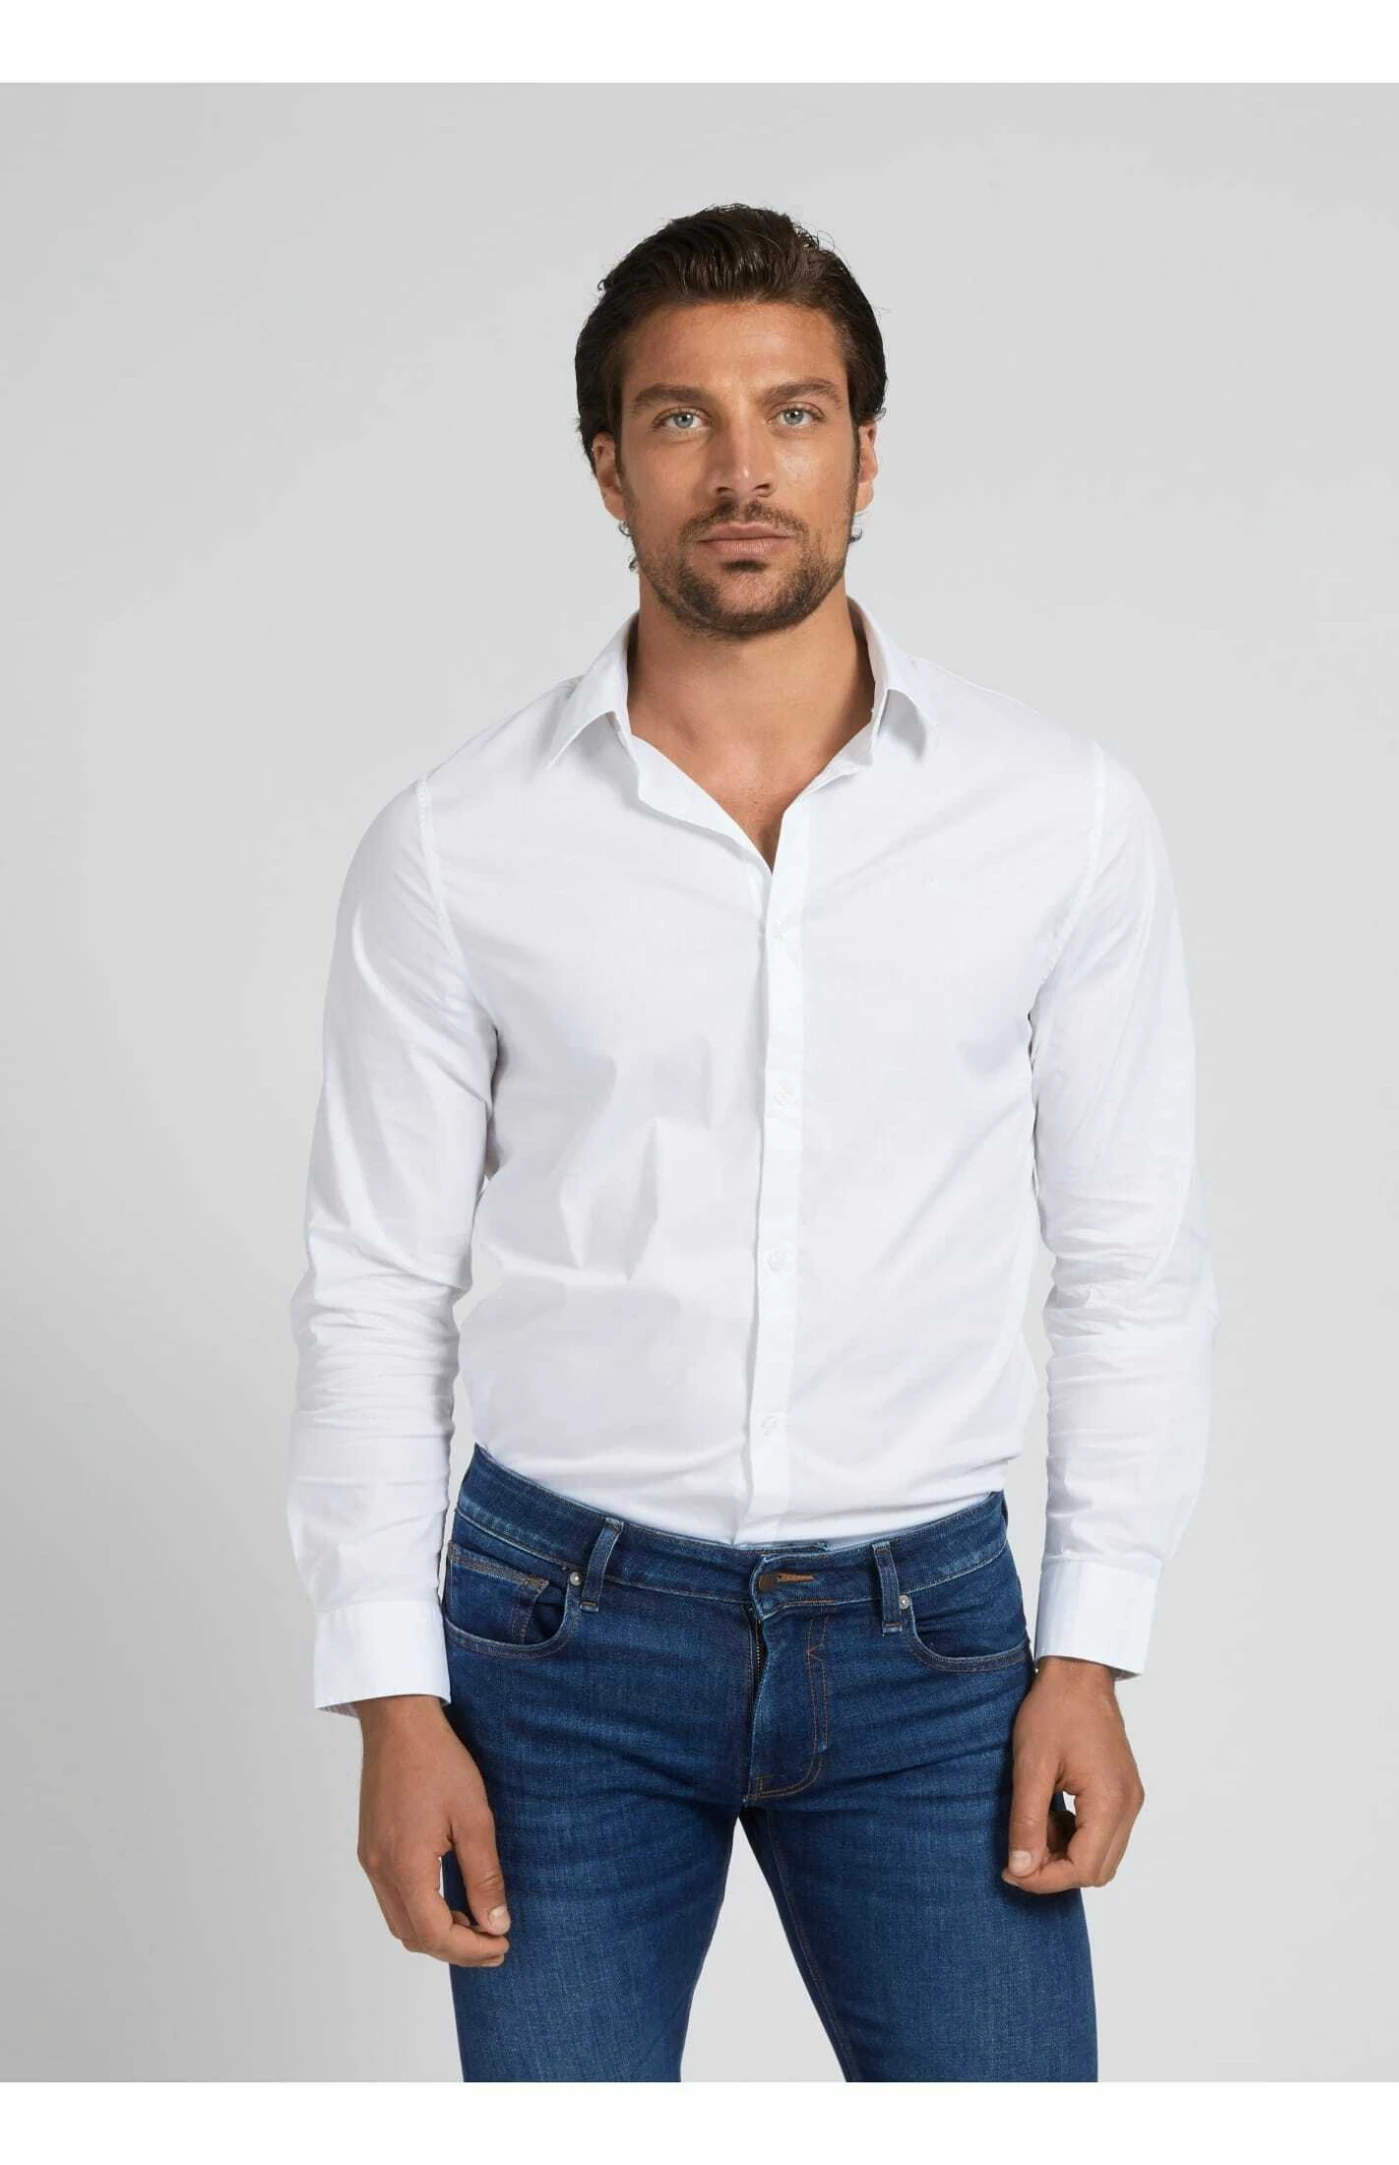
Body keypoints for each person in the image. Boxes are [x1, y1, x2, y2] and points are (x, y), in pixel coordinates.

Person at [286, 202, 1220, 2083]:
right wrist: (390, 1690)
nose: (741, 471)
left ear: (866, 456)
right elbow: (376, 1285)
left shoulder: (1059, 820)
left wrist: (1089, 1650)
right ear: (606, 468)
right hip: (555, 1645)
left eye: (792, 414)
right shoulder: (460, 845)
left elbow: (1128, 1265)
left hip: (933, 1649)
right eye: (680, 420)